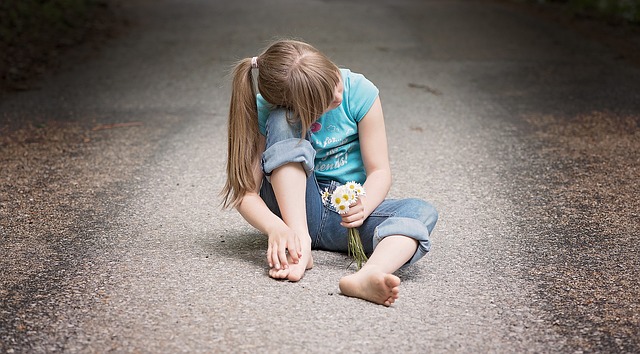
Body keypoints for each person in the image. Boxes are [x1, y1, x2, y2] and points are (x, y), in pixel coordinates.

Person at [221, 39, 438, 306]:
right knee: (282, 119)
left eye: (334, 79)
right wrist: (277, 228)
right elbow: (246, 194)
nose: (339, 95)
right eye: (326, 101)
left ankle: (369, 275)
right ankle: (300, 242)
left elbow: (380, 170)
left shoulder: (358, 91)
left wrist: (365, 205)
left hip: (346, 217)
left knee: (421, 212)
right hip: (295, 207)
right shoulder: (270, 109)